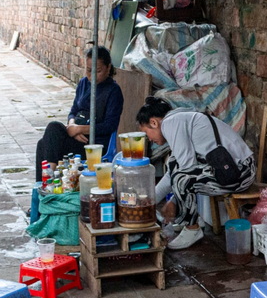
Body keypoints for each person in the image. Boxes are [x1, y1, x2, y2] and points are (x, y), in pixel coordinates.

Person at [136, 98, 255, 249]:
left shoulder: (170, 123)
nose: (150, 139)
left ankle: (192, 228)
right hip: (236, 169)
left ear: (154, 123)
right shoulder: (180, 119)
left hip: (240, 173)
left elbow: (186, 170)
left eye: (147, 134)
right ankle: (189, 220)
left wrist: (173, 201)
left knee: (182, 178)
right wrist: (151, 201)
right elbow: (174, 170)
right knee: (174, 164)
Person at [34, 45, 124, 181]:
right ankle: (46, 180)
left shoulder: (113, 91)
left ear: (108, 68)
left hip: (93, 145)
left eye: (98, 71)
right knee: (51, 131)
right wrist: (72, 126)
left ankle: (47, 181)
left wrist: (79, 129)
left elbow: (109, 126)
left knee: (44, 144)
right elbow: (73, 111)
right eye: (89, 70)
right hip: (75, 135)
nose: (92, 75)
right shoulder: (83, 83)